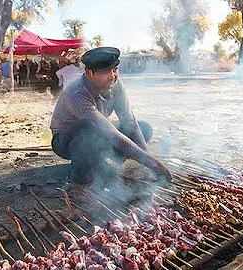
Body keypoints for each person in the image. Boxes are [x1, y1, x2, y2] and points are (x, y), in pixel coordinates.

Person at [50, 47, 172, 185]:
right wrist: (153, 163)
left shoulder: (116, 84)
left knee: (143, 128)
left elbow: (129, 122)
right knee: (88, 128)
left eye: (115, 70)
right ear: (90, 72)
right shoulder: (76, 92)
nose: (113, 76)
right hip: (65, 141)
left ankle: (102, 162)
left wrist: (146, 160)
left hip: (98, 132)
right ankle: (80, 176)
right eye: (107, 72)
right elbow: (106, 130)